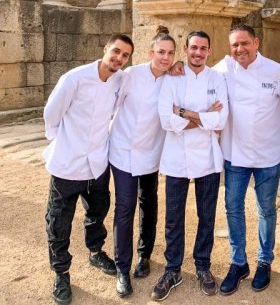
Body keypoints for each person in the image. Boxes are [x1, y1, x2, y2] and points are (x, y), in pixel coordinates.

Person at [170, 24, 280, 295]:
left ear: (256, 42)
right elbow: (194, 71)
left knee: (266, 210)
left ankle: (264, 261)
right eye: (234, 45)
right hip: (234, 154)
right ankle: (239, 263)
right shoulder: (223, 70)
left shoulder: (276, 72)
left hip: (268, 155)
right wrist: (174, 65)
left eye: (245, 43)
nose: (240, 49)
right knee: (233, 209)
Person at [43, 34, 134, 305]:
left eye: (125, 55)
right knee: (59, 220)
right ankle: (61, 272)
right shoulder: (74, 78)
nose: (119, 58)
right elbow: (52, 113)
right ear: (105, 49)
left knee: (98, 211)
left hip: (98, 162)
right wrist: (65, 141)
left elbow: (149, 75)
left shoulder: (120, 79)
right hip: (68, 164)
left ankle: (95, 252)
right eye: (115, 51)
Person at [151, 30, 228, 301]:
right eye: (193, 48)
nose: (198, 53)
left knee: (206, 217)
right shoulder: (172, 79)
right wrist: (204, 118)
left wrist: (183, 112)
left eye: (203, 49)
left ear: (209, 51)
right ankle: (173, 269)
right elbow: (165, 120)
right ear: (186, 48)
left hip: (207, 159)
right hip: (175, 160)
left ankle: (203, 266)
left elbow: (221, 120)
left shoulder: (217, 79)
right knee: (174, 218)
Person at [108, 26, 176, 297]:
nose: (165, 58)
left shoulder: (174, 79)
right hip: (123, 151)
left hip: (152, 153)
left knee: (149, 202)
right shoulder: (130, 75)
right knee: (125, 207)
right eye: (161, 52)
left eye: (171, 54)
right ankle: (122, 269)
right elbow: (110, 105)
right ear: (150, 53)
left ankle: (143, 255)